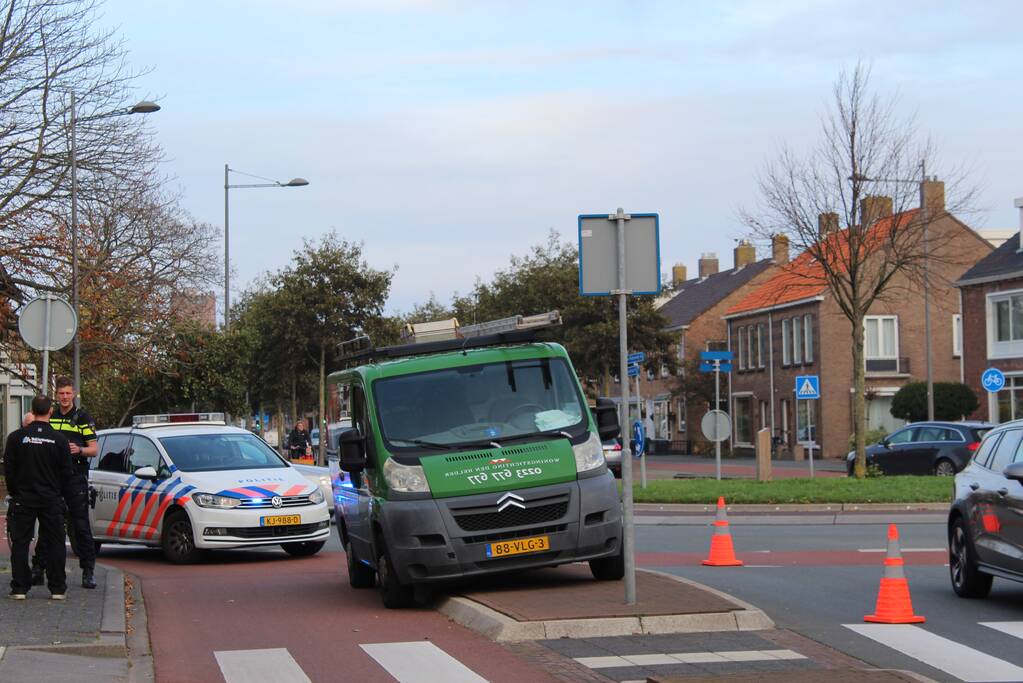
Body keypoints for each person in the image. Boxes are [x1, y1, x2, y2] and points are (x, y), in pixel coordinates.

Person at [32, 377, 98, 590]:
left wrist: (79, 449)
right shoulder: (50, 416)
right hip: (52, 477)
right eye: (61, 394)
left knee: (80, 525)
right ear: (56, 395)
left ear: (74, 394)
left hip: (75, 476)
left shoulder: (82, 417)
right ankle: (38, 568)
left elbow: (93, 449)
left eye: (68, 393)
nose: (65, 397)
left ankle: (88, 571)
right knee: (47, 522)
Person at [5, 395, 72, 600]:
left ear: (32, 412)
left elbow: (9, 470)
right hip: (51, 498)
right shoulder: (60, 440)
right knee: (55, 541)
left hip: (24, 498)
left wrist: (16, 492)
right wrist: (58, 493)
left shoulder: (16, 438)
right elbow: (66, 472)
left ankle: (19, 587)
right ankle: (58, 587)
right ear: (50, 411)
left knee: (20, 542)